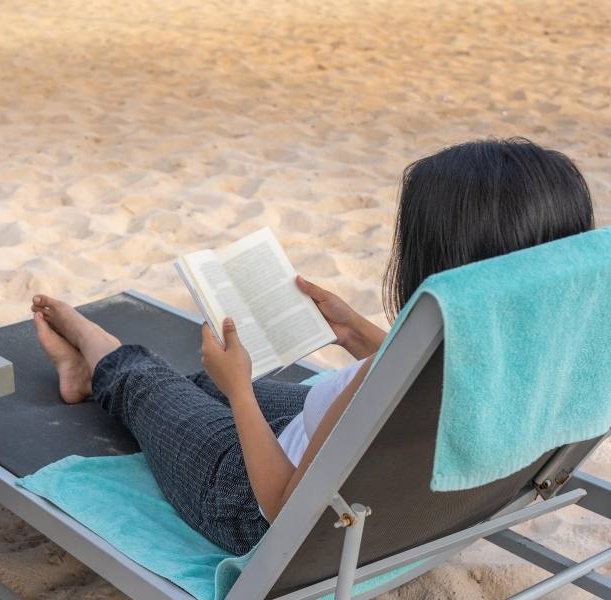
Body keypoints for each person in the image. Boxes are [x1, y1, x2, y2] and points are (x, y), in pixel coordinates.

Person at [30, 138, 595, 555]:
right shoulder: (542, 353)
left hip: (252, 498)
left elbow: (280, 504)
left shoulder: (374, 392)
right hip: (375, 477)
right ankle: (200, 389)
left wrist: (240, 395)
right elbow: (424, 377)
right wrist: (352, 332)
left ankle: (84, 355)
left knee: (147, 381)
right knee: (201, 384)